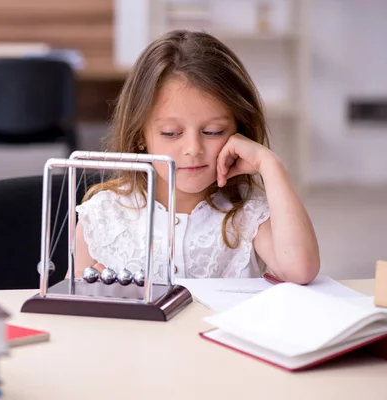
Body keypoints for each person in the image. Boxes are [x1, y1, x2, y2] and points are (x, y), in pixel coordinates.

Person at [74, 30, 320, 284]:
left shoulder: (249, 213)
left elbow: (300, 270)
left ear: (238, 130)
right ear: (140, 135)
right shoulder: (102, 215)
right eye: (171, 133)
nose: (193, 148)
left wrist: (270, 164)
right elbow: (68, 312)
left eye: (213, 131)